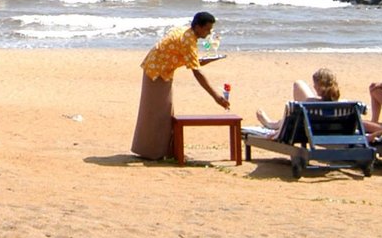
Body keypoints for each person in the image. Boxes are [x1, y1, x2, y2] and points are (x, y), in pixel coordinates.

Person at [130, 11, 231, 161]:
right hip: (157, 72)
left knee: (162, 111)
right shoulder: (188, 40)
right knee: (159, 113)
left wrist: (203, 60)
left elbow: (188, 57)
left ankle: (164, 150)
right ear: (197, 27)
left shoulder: (186, 33)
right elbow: (197, 73)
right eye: (207, 29)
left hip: (159, 69)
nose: (209, 33)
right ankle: (154, 152)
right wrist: (216, 97)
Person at [254, 67, 342, 134]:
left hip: (312, 131)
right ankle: (272, 124)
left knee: (295, 114)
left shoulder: (311, 104)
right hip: (336, 131)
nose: (314, 86)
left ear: (319, 86)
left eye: (315, 84)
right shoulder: (344, 105)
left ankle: (271, 124)